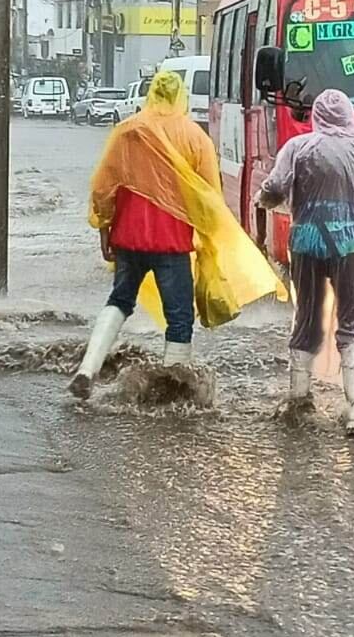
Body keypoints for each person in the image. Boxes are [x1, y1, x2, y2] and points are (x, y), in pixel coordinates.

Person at [70, 70, 277, 397]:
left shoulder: (127, 133)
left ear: (151, 94)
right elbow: (210, 195)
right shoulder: (194, 137)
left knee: (120, 300)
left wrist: (104, 231)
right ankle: (172, 392)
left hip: (127, 238)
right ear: (180, 96)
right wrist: (208, 241)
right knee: (179, 317)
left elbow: (102, 189)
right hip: (172, 243)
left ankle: (87, 369)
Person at [257, 89, 354, 435]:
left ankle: (299, 401)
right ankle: (353, 410)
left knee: (306, 322)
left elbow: (274, 188)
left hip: (307, 243)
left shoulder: (298, 148)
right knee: (351, 325)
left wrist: (265, 201)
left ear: (317, 116)